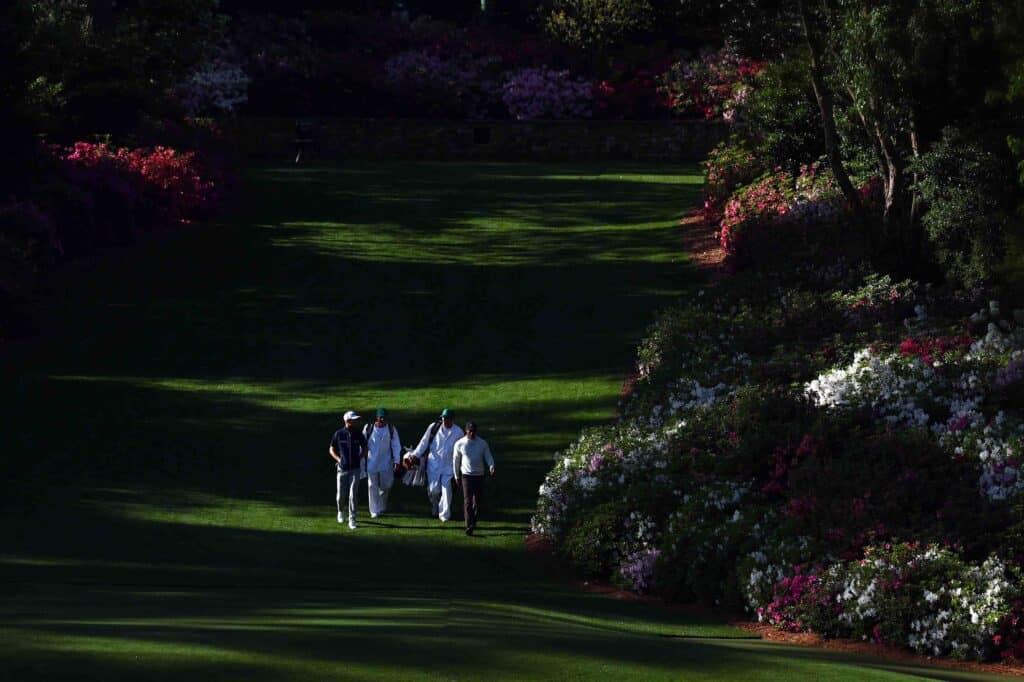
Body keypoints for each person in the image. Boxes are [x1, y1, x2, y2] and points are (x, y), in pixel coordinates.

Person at [410, 408, 464, 522]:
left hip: (449, 465)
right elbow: (424, 442)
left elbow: (462, 450)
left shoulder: (458, 432)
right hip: (433, 464)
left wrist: (461, 466)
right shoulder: (434, 427)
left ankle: (444, 515)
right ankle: (435, 505)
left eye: (447, 419)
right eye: (443, 419)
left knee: (447, 490)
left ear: (452, 420)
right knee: (434, 490)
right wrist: (415, 455)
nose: (445, 421)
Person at [453, 422, 495, 536]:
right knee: (467, 500)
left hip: (479, 475)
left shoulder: (482, 443)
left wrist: (491, 466)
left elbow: (488, 456)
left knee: (477, 501)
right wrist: (456, 476)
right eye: (469, 431)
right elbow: (456, 461)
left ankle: (474, 521)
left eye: (473, 431)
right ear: (466, 431)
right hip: (466, 475)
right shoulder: (460, 443)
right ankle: (469, 525)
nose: (472, 433)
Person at [329, 410, 368, 530]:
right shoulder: (339, 434)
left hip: (355, 469)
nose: (356, 421)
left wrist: (360, 458)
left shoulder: (358, 433)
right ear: (347, 421)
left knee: (353, 495)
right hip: (342, 469)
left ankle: (352, 519)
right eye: (354, 420)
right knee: (341, 494)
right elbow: (331, 449)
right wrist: (339, 459)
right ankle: (340, 511)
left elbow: (365, 447)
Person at [362, 407, 402, 518]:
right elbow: (362, 443)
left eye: (384, 418)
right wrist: (361, 458)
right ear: (377, 417)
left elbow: (396, 445)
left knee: (387, 485)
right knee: (372, 486)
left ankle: (381, 505)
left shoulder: (391, 429)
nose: (382, 420)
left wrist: (397, 460)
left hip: (386, 463)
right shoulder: (368, 428)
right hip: (372, 463)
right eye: (380, 418)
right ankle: (374, 511)